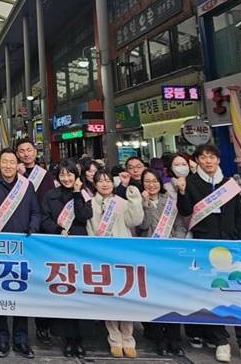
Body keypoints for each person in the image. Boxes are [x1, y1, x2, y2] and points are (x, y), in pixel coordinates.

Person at [176, 145, 241, 362]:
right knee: (213, 292)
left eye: (212, 157)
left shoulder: (229, 184)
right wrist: (181, 192)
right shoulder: (191, 182)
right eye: (203, 157)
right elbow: (186, 212)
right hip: (204, 244)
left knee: (238, 292)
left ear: (218, 160)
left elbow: (239, 216)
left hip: (230, 245)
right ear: (197, 160)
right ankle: (221, 341)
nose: (208, 161)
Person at [0, 148, 40, 359]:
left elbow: (36, 212)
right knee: (0, 296)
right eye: (4, 162)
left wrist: (32, 229)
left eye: (11, 162)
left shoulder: (27, 186)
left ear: (17, 164)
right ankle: (2, 340)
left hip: (22, 250)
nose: (8, 165)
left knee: (20, 296)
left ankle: (21, 340)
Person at [87, 168, 143, 358]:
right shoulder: (90, 204)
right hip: (100, 256)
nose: (104, 184)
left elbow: (135, 220)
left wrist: (134, 199)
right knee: (108, 298)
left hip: (123, 256)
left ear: (114, 183)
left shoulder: (122, 202)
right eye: (100, 181)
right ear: (94, 184)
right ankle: (114, 337)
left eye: (108, 180)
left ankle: (128, 338)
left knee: (125, 297)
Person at [39, 160, 92, 358]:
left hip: (80, 248)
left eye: (70, 174)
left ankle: (79, 339)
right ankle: (67, 339)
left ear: (76, 176)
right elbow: (44, 219)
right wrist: (57, 229)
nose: (66, 178)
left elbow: (84, 215)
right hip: (58, 248)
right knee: (63, 291)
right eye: (62, 175)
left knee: (80, 292)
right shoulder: (50, 196)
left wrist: (77, 193)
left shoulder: (84, 194)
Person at [137, 168, 186, 357]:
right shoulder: (140, 203)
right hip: (150, 255)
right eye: (147, 181)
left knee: (173, 298)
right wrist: (146, 204)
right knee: (154, 298)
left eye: (154, 181)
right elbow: (142, 225)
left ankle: (175, 339)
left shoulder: (171, 202)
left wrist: (177, 240)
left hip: (171, 255)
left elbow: (181, 225)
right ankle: (160, 340)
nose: (151, 184)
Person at [14, 137, 55, 346]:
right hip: (18, 233)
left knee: (39, 280)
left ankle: (42, 326)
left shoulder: (45, 176)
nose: (26, 154)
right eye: (21, 151)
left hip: (39, 233)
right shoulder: (12, 174)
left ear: (35, 152)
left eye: (29, 150)